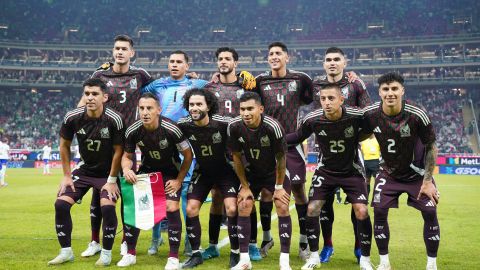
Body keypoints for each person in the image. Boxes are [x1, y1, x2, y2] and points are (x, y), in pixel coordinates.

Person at [80, 34, 154, 258]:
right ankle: (94, 240)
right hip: (103, 139)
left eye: (124, 48)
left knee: (126, 193)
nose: (120, 52)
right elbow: (86, 101)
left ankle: (124, 241)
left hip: (128, 140)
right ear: (112, 52)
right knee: (98, 190)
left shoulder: (141, 75)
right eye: (116, 48)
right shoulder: (100, 74)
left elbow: (155, 92)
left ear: (132, 53)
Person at [286, 83, 373, 270]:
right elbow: (297, 137)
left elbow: (373, 127)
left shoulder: (356, 115)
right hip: (326, 171)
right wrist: (274, 141)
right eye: (323, 99)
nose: (326, 102)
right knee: (313, 208)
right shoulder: (313, 119)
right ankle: (314, 257)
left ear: (342, 99)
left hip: (352, 170)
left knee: (362, 211)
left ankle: (365, 259)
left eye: (331, 98)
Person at [362, 73, 440, 270]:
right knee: (379, 210)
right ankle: (384, 263)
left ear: (402, 91)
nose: (390, 93)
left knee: (430, 211)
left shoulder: (416, 113)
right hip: (389, 173)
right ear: (379, 92)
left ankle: (432, 264)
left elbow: (431, 145)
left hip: (417, 175)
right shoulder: (370, 114)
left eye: (394, 89)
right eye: (386, 89)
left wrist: (428, 181)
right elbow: (355, 130)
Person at [48, 78, 124, 266]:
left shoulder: (114, 119)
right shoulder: (72, 117)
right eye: (87, 94)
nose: (90, 97)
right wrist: (66, 176)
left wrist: (112, 179)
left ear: (104, 97)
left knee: (107, 207)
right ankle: (66, 252)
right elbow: (64, 146)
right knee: (61, 204)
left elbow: (118, 151)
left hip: (108, 174)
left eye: (95, 94)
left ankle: (106, 253)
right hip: (85, 170)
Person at [142, 50, 208, 256]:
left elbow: (217, 86)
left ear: (187, 66)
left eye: (179, 62)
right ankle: (155, 238)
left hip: (186, 144)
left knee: (187, 195)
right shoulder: (157, 85)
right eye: (171, 61)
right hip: (160, 145)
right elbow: (138, 90)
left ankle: (189, 241)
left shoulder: (197, 85)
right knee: (156, 196)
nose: (174, 65)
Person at [254, 42, 313, 260]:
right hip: (266, 145)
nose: (274, 56)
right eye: (271, 54)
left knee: (298, 192)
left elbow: (320, 90)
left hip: (291, 144)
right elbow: (245, 100)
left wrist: (350, 77)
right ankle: (267, 238)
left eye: (278, 53)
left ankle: (304, 242)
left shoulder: (301, 79)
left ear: (287, 57)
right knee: (267, 193)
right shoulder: (259, 81)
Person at [120, 92, 193, 268]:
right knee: (134, 207)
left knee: (172, 206)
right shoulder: (133, 130)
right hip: (147, 173)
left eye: (149, 108)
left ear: (158, 110)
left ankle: (173, 257)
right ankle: (130, 253)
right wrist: (126, 169)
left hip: (169, 174)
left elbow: (188, 155)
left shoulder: (172, 129)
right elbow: (127, 156)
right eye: (142, 108)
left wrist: (178, 180)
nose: (145, 112)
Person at [314, 47, 371, 263]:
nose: (332, 63)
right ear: (323, 64)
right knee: (323, 203)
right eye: (328, 59)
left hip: (353, 155)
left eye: (336, 59)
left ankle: (358, 247)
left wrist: (356, 137)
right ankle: (327, 246)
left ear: (344, 63)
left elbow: (369, 112)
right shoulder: (315, 85)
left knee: (358, 204)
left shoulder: (355, 83)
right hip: (325, 153)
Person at [202, 47, 257, 261]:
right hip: (217, 150)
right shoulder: (209, 87)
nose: (223, 62)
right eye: (220, 59)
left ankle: (251, 244)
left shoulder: (246, 86)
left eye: (228, 59)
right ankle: (213, 245)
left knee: (246, 196)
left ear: (236, 62)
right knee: (216, 197)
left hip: (242, 150)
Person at [228, 92, 292, 270]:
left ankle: (284, 261)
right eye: (242, 109)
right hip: (252, 174)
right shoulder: (234, 127)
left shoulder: (273, 126)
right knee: (244, 204)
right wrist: (245, 186)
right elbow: (237, 158)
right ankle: (244, 260)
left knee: (282, 204)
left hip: (274, 173)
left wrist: (279, 187)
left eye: (250, 109)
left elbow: (281, 158)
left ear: (261, 109)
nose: (246, 113)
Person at [177, 89, 240, 268]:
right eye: (191, 104)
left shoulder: (224, 124)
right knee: (190, 209)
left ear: (209, 106)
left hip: (225, 171)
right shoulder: (184, 124)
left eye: (199, 104)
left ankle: (235, 253)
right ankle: (196, 254)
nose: (194, 108)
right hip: (202, 171)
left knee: (231, 208)